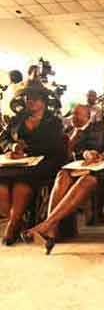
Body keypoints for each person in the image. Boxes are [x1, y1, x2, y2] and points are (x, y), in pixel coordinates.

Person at [23, 90, 104, 255]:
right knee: (63, 173)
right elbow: (81, 146)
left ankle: (47, 225)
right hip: (89, 163)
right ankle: (51, 230)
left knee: (87, 180)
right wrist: (86, 153)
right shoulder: (95, 125)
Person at [0, 81, 66, 245]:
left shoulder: (54, 122)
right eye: (28, 98)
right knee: (2, 182)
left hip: (45, 162)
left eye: (35, 99)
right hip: (17, 163)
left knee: (21, 182)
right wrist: (12, 146)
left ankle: (12, 225)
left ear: (43, 101)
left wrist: (27, 150)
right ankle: (16, 221)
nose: (31, 101)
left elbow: (54, 146)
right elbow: (4, 139)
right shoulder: (16, 119)